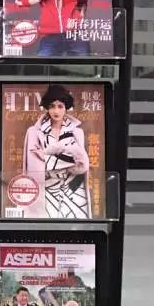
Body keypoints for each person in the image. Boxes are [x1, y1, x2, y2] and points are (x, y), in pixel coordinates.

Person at [23, 84, 91, 219]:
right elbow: (31, 167)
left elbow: (82, 164)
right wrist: (65, 158)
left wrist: (45, 155)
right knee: (45, 226)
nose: (56, 111)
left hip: (73, 188)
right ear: (47, 108)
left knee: (74, 227)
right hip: (45, 189)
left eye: (60, 106)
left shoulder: (77, 132)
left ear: (66, 108)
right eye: (52, 106)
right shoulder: (34, 132)